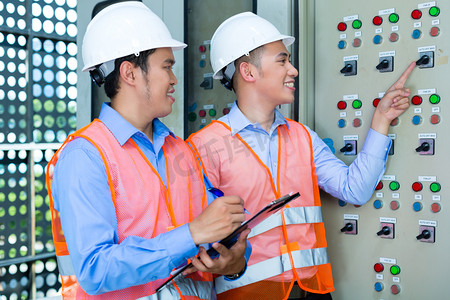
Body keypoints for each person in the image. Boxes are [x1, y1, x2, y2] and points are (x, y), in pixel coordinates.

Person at [187, 12, 416, 300]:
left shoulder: (302, 136)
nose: (293, 70)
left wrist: (381, 120)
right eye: (282, 61)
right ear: (248, 72)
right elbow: (198, 244)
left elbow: (354, 189)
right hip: (249, 294)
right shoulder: (205, 146)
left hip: (312, 292)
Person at [45, 2, 249, 299]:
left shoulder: (179, 150)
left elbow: (212, 228)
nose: (174, 79)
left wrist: (234, 260)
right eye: (167, 66)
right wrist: (191, 234)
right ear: (129, 73)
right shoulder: (85, 156)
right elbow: (95, 270)